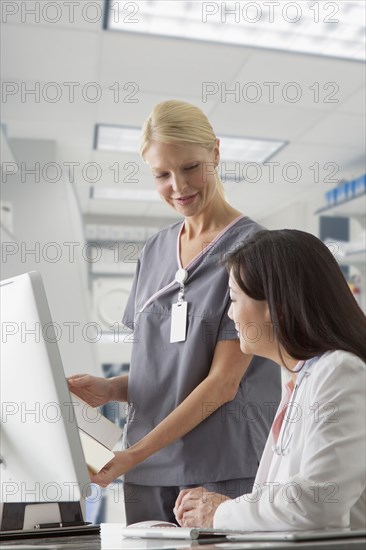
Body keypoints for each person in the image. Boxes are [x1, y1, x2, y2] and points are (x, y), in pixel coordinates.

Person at [69, 100, 281, 524]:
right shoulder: (154, 252)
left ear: (216, 154)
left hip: (220, 470)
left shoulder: (254, 252)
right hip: (147, 472)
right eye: (161, 174)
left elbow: (222, 383)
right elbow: (170, 369)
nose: (178, 186)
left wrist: (132, 454)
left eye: (190, 167)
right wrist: (111, 389)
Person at [174, 229, 366, 530]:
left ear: (279, 307)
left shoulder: (340, 372)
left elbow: (318, 502)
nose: (230, 314)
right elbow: (284, 502)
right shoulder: (302, 377)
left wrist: (221, 512)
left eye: (235, 299)